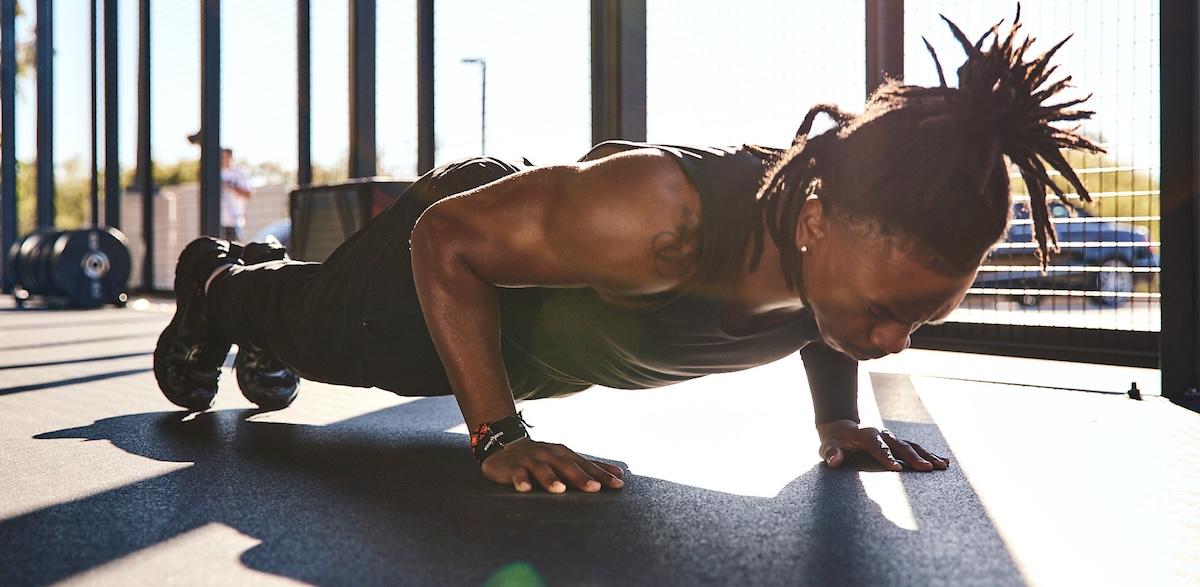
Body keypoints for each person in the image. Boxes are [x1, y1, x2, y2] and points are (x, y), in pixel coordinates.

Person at [154, 13, 1100, 494]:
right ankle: (219, 284)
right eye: (888, 310)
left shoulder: (830, 242)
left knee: (327, 335)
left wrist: (837, 422)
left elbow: (828, 314)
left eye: (924, 316)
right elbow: (446, 240)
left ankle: (261, 298)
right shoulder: (664, 222)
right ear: (817, 223)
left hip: (537, 250)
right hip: (457, 252)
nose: (894, 338)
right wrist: (497, 435)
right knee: (332, 346)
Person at [219, 148, 253, 242]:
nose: (223, 159)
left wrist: (230, 186)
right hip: (219, 222)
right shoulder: (215, 173)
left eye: (225, 156)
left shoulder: (238, 173)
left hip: (234, 221)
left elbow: (248, 194)